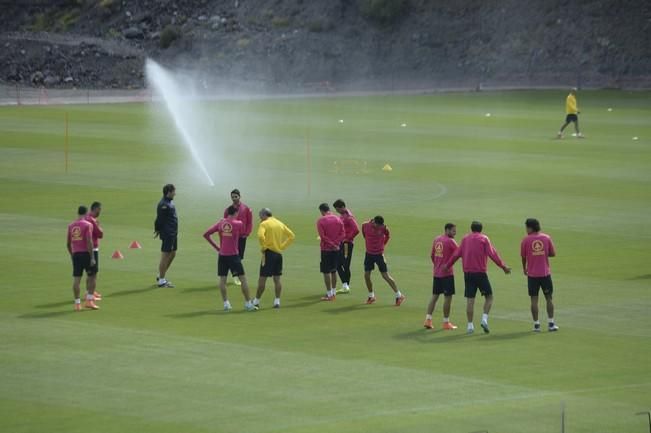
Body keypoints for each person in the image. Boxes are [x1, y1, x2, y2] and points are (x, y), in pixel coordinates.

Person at [444, 221, 511, 334]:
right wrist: (503, 266)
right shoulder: (484, 239)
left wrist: (447, 265)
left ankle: (470, 326)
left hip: (468, 274)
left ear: (471, 228)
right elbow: (492, 254)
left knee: (470, 300)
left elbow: (456, 254)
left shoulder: (465, 239)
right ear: (481, 229)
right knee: (489, 297)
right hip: (480, 273)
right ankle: (484, 319)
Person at [203, 205, 257, 312]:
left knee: (222, 280)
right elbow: (243, 231)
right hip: (233, 256)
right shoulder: (238, 224)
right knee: (243, 279)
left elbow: (206, 234)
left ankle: (226, 304)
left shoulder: (220, 223)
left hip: (222, 255)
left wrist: (217, 248)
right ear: (236, 213)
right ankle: (248, 303)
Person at [252, 208, 295, 309]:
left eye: (260, 216)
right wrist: (282, 247)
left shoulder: (264, 224)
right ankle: (277, 301)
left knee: (262, 278)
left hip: (268, 254)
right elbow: (291, 236)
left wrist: (263, 247)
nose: (260, 219)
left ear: (264, 215)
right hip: (278, 254)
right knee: (277, 279)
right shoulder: (279, 223)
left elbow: (260, 236)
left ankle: (256, 301)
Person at [521, 218, 559, 332]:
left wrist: (524, 268)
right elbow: (552, 253)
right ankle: (551, 323)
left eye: (526, 227)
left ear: (530, 227)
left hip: (532, 275)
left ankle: (536, 325)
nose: (526, 229)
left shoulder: (525, 240)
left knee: (534, 300)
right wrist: (542, 254)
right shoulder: (546, 238)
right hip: (545, 274)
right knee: (549, 298)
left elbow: (523, 256)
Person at [361, 216, 405, 306]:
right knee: (366, 275)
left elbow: (388, 235)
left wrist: (383, 244)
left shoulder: (383, 227)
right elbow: (364, 235)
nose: (379, 227)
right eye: (378, 226)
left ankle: (399, 295)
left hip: (379, 254)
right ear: (374, 223)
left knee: (385, 275)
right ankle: (371, 296)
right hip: (369, 254)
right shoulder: (365, 225)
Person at [424, 223, 459, 330]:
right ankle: (446, 322)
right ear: (447, 230)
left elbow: (432, 255)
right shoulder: (450, 241)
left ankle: (428, 320)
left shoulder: (437, 239)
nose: (455, 233)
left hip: (436, 273)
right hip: (447, 274)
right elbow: (459, 252)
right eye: (453, 231)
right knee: (448, 298)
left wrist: (437, 265)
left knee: (434, 296)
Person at [67, 205, 99, 311]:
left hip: (76, 254)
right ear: (86, 213)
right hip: (86, 253)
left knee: (76, 279)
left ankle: (77, 304)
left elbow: (68, 243)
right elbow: (89, 241)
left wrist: (72, 254)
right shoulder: (87, 224)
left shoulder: (71, 225)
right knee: (92, 276)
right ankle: (89, 301)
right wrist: (92, 257)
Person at [224, 189, 253, 286]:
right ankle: (235, 276)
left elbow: (249, 222)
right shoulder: (228, 210)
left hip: (242, 236)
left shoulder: (246, 208)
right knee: (233, 256)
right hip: (232, 237)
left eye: (235, 196)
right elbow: (225, 223)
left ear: (240, 196)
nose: (234, 199)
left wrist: (247, 233)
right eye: (232, 197)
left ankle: (235, 274)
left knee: (239, 256)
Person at [316, 203, 345, 301]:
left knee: (326, 272)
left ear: (321, 211)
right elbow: (343, 234)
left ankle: (329, 294)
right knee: (334, 271)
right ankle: (333, 292)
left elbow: (323, 236)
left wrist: (332, 244)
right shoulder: (338, 219)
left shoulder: (321, 220)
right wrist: (336, 244)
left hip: (326, 249)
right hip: (336, 249)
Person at [333, 199, 359, 294]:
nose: (337, 211)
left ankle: (346, 285)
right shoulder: (343, 215)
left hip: (346, 244)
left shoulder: (348, 217)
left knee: (344, 265)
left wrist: (347, 239)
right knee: (340, 264)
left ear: (342, 207)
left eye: (337, 209)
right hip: (343, 243)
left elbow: (356, 230)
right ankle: (345, 286)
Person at [154, 184, 177, 288]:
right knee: (165, 256)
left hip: (173, 233)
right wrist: (158, 230)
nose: (175, 193)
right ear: (169, 192)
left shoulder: (169, 202)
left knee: (173, 253)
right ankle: (161, 281)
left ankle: (161, 275)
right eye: (173, 191)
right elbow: (159, 219)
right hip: (168, 233)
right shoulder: (163, 204)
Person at [85, 201, 103, 301]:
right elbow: (100, 234)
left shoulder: (87, 217)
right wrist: (99, 226)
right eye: (99, 209)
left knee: (90, 273)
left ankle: (89, 292)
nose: (100, 211)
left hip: (86, 249)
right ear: (95, 209)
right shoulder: (91, 220)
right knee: (93, 273)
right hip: (93, 249)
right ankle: (90, 296)